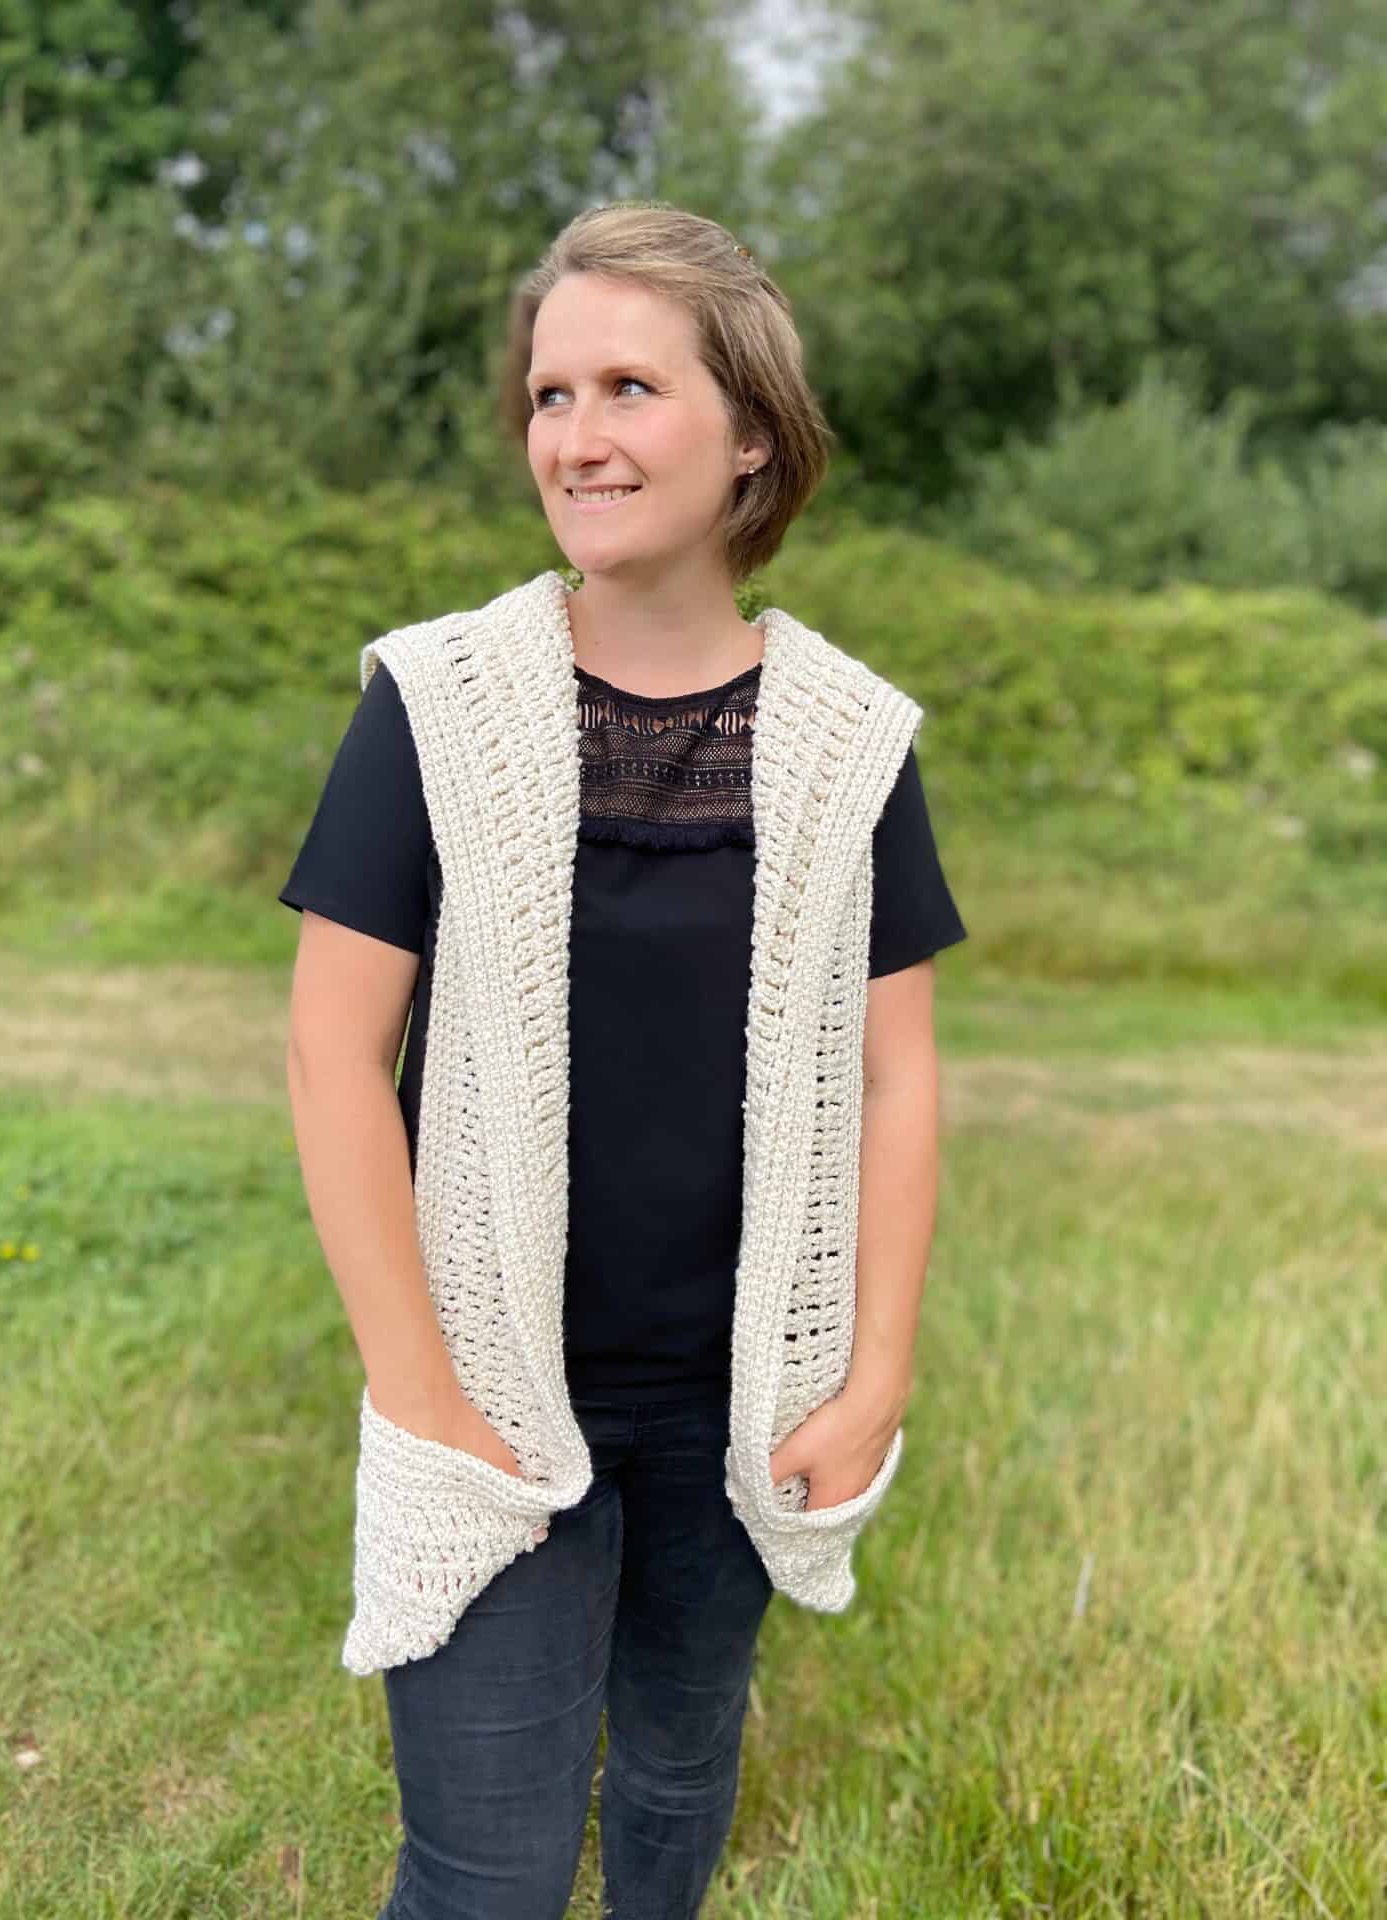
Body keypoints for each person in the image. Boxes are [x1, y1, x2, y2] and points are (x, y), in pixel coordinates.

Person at [279, 201, 967, 1920]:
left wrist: (868, 1368)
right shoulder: (434, 704)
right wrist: (426, 1398)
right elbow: (329, 1052)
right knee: (488, 1869)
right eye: (548, 394)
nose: (575, 437)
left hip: (734, 1402)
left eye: (628, 388)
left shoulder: (848, 740)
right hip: (496, 1396)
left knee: (672, 1790)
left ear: (750, 434)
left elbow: (898, 1078)